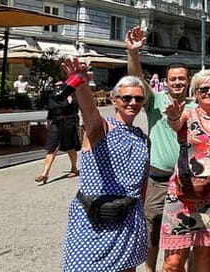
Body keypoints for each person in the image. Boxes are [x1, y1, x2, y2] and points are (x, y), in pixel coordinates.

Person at [61, 59, 149, 272]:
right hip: (94, 217)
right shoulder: (102, 128)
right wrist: (81, 84)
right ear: (114, 99)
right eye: (126, 98)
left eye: (138, 98)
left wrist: (141, 213)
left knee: (127, 268)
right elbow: (89, 110)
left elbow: (142, 182)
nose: (132, 103)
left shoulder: (142, 138)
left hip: (128, 216)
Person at [126, 27, 196, 272]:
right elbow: (136, 81)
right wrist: (134, 53)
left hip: (189, 182)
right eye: (173, 78)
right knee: (152, 229)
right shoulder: (155, 101)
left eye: (182, 78)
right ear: (166, 82)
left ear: (188, 81)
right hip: (159, 180)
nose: (177, 82)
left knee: (184, 230)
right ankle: (149, 269)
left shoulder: (197, 105)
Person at [159, 69, 210, 272]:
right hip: (182, 195)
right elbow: (176, 124)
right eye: (204, 89)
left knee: (204, 258)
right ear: (195, 92)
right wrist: (173, 117)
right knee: (173, 263)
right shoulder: (189, 113)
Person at [36, 83, 81, 184]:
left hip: (69, 123)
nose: (58, 87)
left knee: (70, 147)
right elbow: (50, 110)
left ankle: (74, 168)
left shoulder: (73, 96)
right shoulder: (53, 96)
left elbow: (78, 110)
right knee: (52, 147)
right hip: (56, 123)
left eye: (60, 85)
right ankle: (45, 173)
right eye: (56, 86)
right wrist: (48, 121)